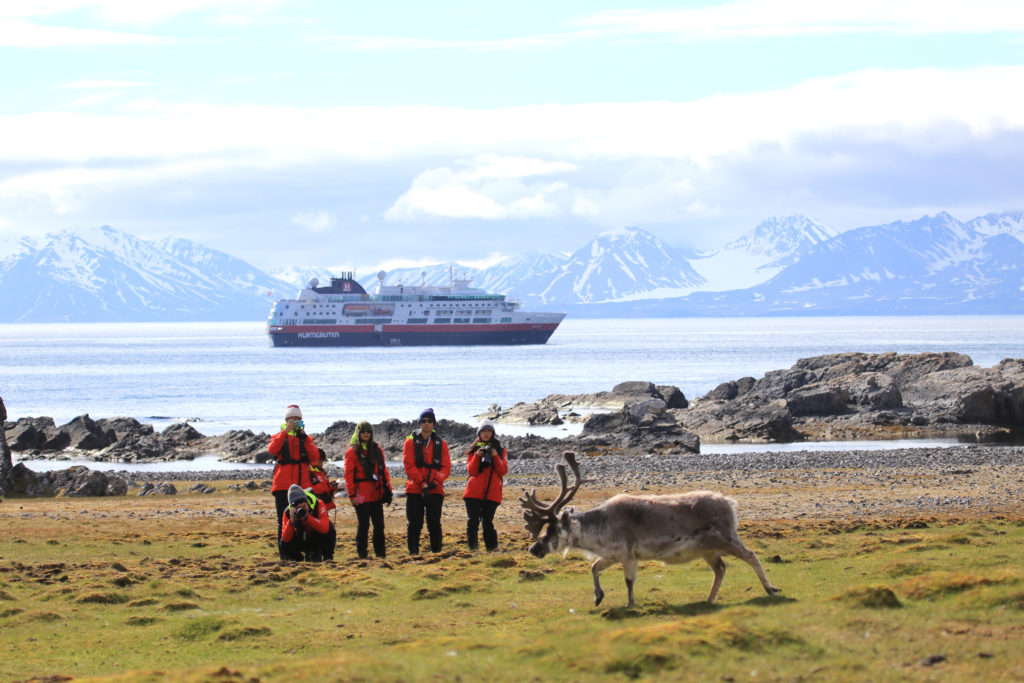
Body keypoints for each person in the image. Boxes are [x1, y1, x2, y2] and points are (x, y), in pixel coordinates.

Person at [267, 404, 323, 556]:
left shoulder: (306, 439)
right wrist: (285, 432)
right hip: (282, 486)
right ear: (286, 420)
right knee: (283, 521)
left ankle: (304, 551)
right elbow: (272, 450)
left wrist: (305, 437)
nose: (294, 422)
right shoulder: (277, 437)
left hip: (302, 486)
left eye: (297, 419)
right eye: (292, 419)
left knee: (305, 519)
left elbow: (314, 457)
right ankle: (285, 554)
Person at [402, 408, 451, 554]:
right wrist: (422, 483)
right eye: (423, 421)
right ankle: (413, 553)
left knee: (434, 523)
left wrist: (436, 481)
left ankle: (436, 552)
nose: (426, 424)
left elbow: (446, 467)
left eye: (429, 421)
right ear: (419, 423)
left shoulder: (441, 444)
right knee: (414, 523)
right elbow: (409, 466)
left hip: (435, 489)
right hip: (415, 489)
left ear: (434, 423)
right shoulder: (410, 443)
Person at [344, 421, 393, 559]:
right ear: (358, 433)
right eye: (363, 431)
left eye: (368, 431)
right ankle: (362, 555)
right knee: (364, 525)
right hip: (361, 495)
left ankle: (381, 554)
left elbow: (384, 471)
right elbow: (348, 476)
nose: (366, 434)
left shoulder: (377, 450)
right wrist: (352, 495)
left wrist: (388, 489)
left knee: (379, 526)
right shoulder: (352, 452)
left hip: (376, 494)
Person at [462, 419, 508, 551]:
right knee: (472, 522)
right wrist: (477, 456)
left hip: (492, 493)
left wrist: (495, 456)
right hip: (473, 492)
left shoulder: (500, 450)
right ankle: (473, 550)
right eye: (483, 431)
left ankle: (492, 550)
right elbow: (472, 471)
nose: (486, 434)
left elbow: (503, 471)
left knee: (487, 523)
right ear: (479, 434)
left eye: (488, 431)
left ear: (492, 433)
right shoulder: (473, 450)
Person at [279, 483, 337, 562]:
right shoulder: (288, 512)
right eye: (297, 507)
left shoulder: (318, 504)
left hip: (317, 538)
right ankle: (296, 560)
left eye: (303, 505)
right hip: (301, 539)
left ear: (306, 501)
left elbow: (325, 529)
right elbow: (285, 539)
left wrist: (308, 517)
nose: (300, 509)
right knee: (284, 543)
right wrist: (291, 522)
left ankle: (327, 557)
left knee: (330, 529)